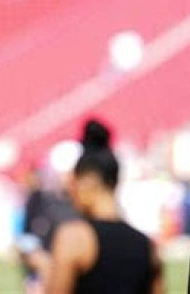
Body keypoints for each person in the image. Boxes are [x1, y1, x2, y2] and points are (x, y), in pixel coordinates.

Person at [24, 119, 163, 294]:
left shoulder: (74, 237)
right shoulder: (146, 246)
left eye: (73, 185)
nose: (71, 194)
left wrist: (44, 266)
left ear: (87, 183)